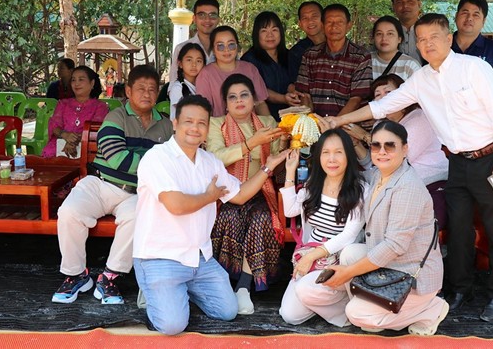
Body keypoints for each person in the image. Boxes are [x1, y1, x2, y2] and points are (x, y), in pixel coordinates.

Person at [325, 13, 493, 322]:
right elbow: (383, 106)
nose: (428, 45)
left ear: (448, 38)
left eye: (434, 38)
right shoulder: (422, 79)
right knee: (458, 230)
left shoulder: (474, 68)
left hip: (491, 159)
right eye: (422, 40)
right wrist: (340, 120)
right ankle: (460, 289)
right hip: (456, 163)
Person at [133, 95, 289, 335]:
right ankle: (158, 295)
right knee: (172, 326)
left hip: (199, 259)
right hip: (160, 257)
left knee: (227, 311)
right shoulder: (157, 158)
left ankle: (176, 293)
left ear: (208, 128)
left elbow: (239, 195)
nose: (195, 128)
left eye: (201, 123)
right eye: (188, 121)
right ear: (175, 123)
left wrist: (268, 166)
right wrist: (209, 196)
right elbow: (176, 205)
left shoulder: (210, 161)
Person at [52, 65, 173, 305]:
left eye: (152, 89)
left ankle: (109, 277)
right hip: (101, 184)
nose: (147, 94)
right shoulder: (116, 117)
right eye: (141, 88)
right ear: (128, 91)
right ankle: (76, 275)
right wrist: (155, 162)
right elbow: (117, 158)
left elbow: (173, 162)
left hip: (138, 192)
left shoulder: (167, 126)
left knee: (139, 217)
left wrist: (157, 163)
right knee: (69, 212)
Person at [321, 120, 448, 335]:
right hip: (390, 264)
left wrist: (348, 273)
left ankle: (431, 308)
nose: (382, 151)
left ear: (405, 149)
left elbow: (394, 245)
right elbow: (354, 175)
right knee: (350, 253)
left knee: (355, 314)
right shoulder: (379, 175)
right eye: (376, 145)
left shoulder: (408, 187)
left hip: (412, 276)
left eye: (390, 145)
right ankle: (377, 311)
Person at [206, 74, 286, 315]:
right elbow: (215, 157)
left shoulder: (267, 122)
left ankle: (243, 286)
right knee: (231, 217)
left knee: (261, 218)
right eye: (232, 97)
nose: (239, 100)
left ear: (254, 99)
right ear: (225, 104)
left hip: (261, 188)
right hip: (227, 191)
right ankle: (227, 282)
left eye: (244, 95)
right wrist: (251, 142)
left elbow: (276, 165)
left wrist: (284, 143)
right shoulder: (216, 124)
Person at [279, 130, 365, 327]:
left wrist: (312, 256)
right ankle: (335, 304)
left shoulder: (360, 189)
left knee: (304, 290)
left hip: (339, 258)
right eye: (326, 152)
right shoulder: (314, 184)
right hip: (311, 256)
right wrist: (290, 171)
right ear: (318, 156)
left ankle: (343, 303)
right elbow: (291, 210)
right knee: (289, 315)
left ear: (348, 155)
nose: (331, 159)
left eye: (338, 152)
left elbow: (349, 234)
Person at [346, 74, 449, 228]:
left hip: (430, 186)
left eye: (388, 92)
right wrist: (356, 143)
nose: (383, 98)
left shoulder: (419, 119)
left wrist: (365, 136)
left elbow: (396, 163)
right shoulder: (380, 125)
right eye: (378, 95)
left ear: (403, 95)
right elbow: (377, 166)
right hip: (396, 188)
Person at [295, 3, 372, 117]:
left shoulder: (361, 56)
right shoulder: (310, 55)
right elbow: (305, 94)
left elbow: (356, 99)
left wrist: (335, 123)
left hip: (347, 123)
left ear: (349, 26)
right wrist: (310, 121)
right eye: (329, 22)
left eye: (340, 22)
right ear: (322, 25)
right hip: (316, 122)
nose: (334, 26)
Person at [195, 26, 270, 117]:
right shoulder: (206, 74)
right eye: (220, 46)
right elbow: (204, 110)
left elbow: (260, 103)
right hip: (219, 124)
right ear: (213, 50)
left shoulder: (250, 69)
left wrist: (269, 123)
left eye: (231, 45)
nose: (226, 50)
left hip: (251, 124)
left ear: (237, 46)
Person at [241, 11, 299, 119]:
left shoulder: (289, 56)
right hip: (263, 118)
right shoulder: (249, 60)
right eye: (264, 31)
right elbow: (257, 91)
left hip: (291, 116)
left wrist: (294, 92)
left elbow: (291, 82)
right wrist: (283, 98)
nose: (270, 35)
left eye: (274, 30)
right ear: (256, 34)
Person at [42, 65, 109, 158]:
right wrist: (65, 135)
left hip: (87, 147)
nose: (76, 83)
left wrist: (73, 141)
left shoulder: (100, 107)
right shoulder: (63, 103)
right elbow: (54, 126)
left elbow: (95, 130)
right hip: (59, 145)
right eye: (73, 80)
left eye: (81, 79)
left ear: (92, 83)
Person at [371, 16, 421, 81]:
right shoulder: (365, 62)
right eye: (379, 34)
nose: (384, 38)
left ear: (399, 39)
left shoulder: (411, 65)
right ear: (373, 38)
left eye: (390, 34)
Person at [288, 1, 326, 83]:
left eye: (314, 16)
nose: (310, 21)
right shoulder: (296, 53)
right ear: (300, 24)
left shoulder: (337, 43)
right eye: (305, 18)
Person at [168, 42, 206, 119]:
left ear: (204, 65)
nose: (194, 65)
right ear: (180, 64)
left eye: (198, 61)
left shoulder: (204, 86)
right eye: (189, 60)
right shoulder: (178, 88)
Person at [391, 0, 424, 64]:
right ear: (393, 7)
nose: (405, 6)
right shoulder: (389, 32)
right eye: (399, 2)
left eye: (410, 1)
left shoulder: (429, 30)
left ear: (419, 4)